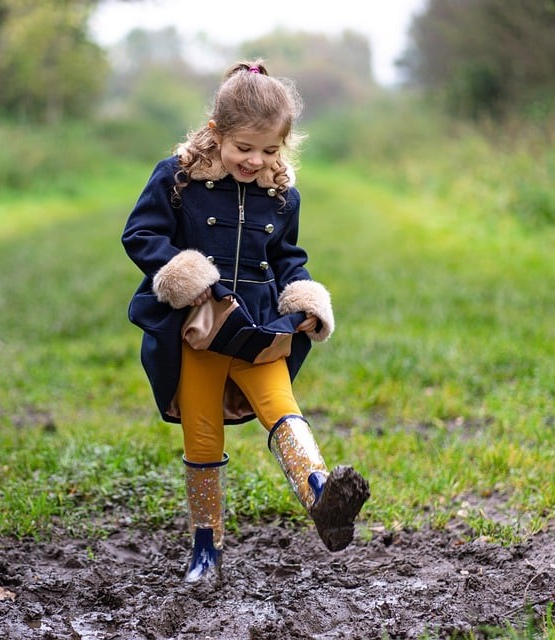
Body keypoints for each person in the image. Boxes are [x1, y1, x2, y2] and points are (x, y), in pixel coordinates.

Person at [122, 60, 370, 584]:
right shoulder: (177, 179)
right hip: (200, 326)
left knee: (282, 407)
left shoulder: (282, 196)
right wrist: (185, 274)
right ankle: (204, 549)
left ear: (284, 145)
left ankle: (322, 495)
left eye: (270, 151)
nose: (256, 161)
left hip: (258, 328)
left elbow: (287, 259)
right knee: (203, 433)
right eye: (244, 148)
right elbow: (140, 236)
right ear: (216, 133)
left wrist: (303, 300)